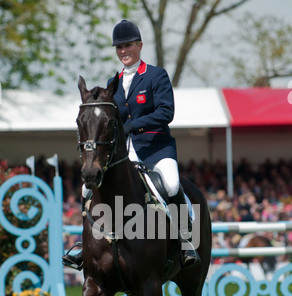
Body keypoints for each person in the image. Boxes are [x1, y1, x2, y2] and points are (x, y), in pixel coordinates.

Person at [63, 19, 200, 270]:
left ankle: (186, 240)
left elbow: (165, 112)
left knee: (170, 184)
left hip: (156, 148)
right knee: (87, 189)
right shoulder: (112, 81)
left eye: (127, 45)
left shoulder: (156, 75)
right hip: (124, 151)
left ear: (139, 45)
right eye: (119, 47)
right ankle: (83, 246)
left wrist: (131, 126)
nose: (123, 51)